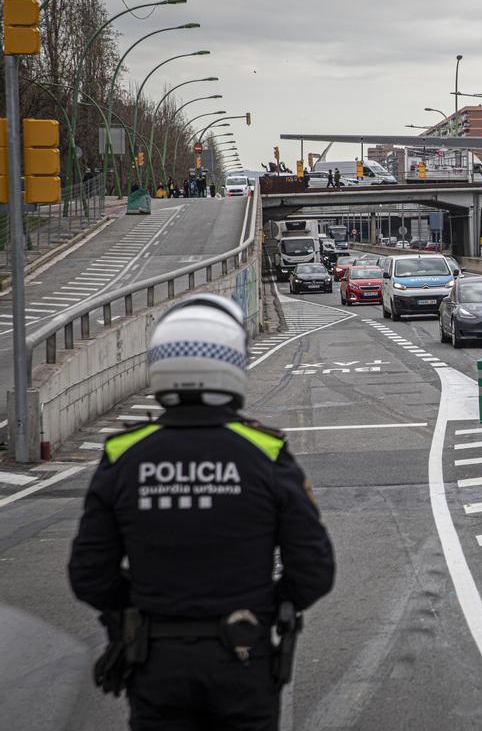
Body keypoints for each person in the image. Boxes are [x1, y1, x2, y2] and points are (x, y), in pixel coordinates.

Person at [68, 294, 335, 730]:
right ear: (231, 361)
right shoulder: (265, 453)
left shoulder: (123, 455)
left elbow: (89, 574)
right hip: (243, 653)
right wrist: (268, 607)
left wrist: (137, 611)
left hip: (155, 662)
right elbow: (314, 568)